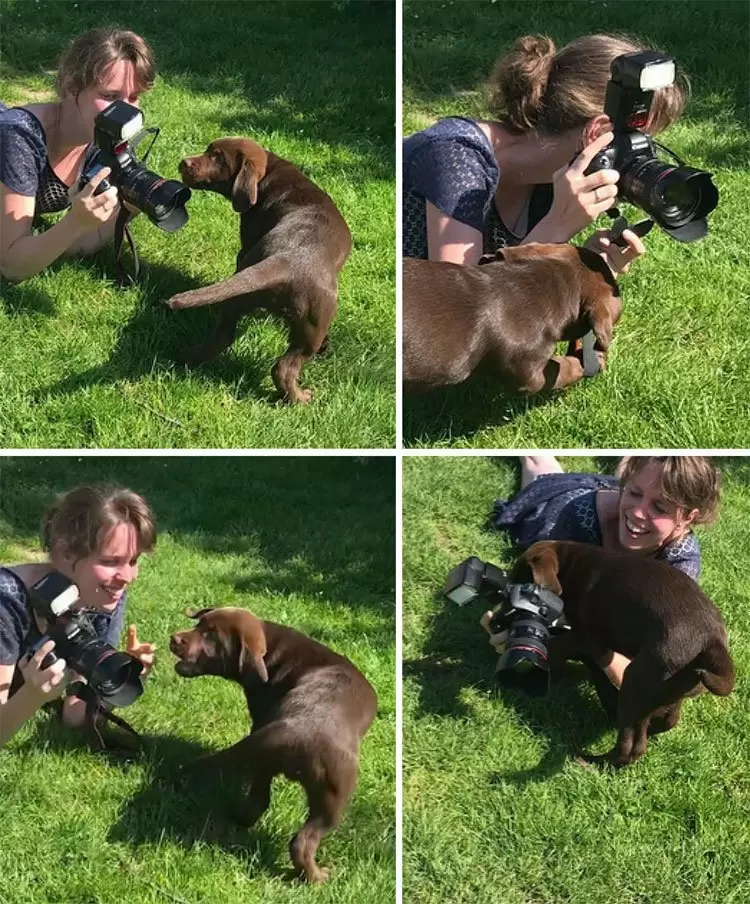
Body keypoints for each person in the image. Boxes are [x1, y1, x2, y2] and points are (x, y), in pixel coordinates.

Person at [403, 33, 687, 275]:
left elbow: (509, 309)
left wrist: (580, 265)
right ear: (596, 133)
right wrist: (555, 229)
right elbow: (460, 313)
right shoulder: (455, 157)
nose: (640, 156)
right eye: (637, 141)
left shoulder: (552, 176)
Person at [482, 455, 721, 689]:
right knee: (538, 470)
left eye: (659, 507)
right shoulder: (574, 519)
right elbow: (546, 594)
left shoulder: (680, 563)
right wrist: (513, 626)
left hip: (614, 502)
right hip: (566, 504)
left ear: (688, 518)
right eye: (634, 492)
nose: (639, 511)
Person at [0, 483, 157, 744]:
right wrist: (32, 696)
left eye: (133, 561)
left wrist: (119, 678)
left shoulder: (101, 594)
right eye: (110, 561)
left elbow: (76, 714)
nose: (127, 577)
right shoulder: (7, 602)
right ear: (65, 551)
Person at [0, 27, 156, 283]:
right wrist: (73, 224)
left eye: (134, 97)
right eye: (110, 96)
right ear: (72, 87)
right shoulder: (20, 137)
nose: (126, 111)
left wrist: (126, 209)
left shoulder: (104, 139)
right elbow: (10, 266)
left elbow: (74, 245)